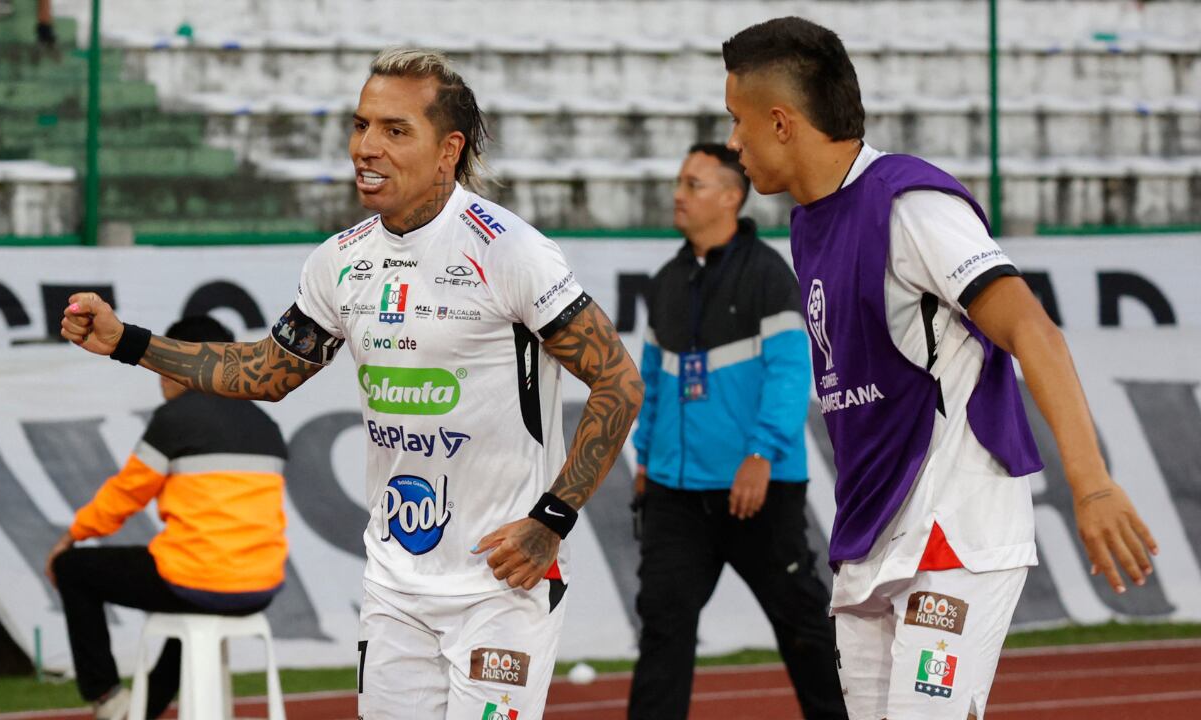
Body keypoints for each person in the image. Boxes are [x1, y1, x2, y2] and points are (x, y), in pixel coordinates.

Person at [59, 48, 644, 720]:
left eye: (396, 131)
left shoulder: (509, 251)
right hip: (395, 587)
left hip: (498, 590)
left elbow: (618, 383)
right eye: (360, 125)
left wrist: (551, 521)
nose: (367, 147)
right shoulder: (340, 262)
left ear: (448, 150)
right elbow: (265, 372)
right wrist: (128, 342)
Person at [720, 17, 1160, 720]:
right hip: (870, 538)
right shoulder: (809, 222)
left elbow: (1033, 331)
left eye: (736, 120)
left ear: (780, 121)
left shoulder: (910, 203)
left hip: (953, 529)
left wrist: (1092, 483)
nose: (732, 142)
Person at [626, 143, 846, 719]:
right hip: (674, 497)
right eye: (679, 181)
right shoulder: (668, 281)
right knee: (662, 633)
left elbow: (790, 371)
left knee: (803, 629)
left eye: (693, 184)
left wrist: (761, 454)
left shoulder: (770, 275)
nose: (678, 193)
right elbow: (651, 381)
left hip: (758, 490)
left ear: (731, 196)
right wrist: (644, 460)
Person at [45, 315, 289, 720]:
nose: (160, 376)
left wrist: (72, 536)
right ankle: (140, 712)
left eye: (164, 363)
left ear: (183, 362)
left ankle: (106, 699)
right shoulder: (266, 425)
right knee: (195, 603)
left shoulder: (176, 419)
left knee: (73, 569)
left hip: (197, 577)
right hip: (261, 585)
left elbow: (125, 495)